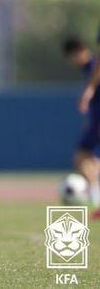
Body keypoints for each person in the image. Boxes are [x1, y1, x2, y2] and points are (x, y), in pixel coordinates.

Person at [64, 37, 100, 216]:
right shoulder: (89, 68)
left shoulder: (95, 67)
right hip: (95, 120)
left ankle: (96, 198)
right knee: (88, 160)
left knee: (81, 157)